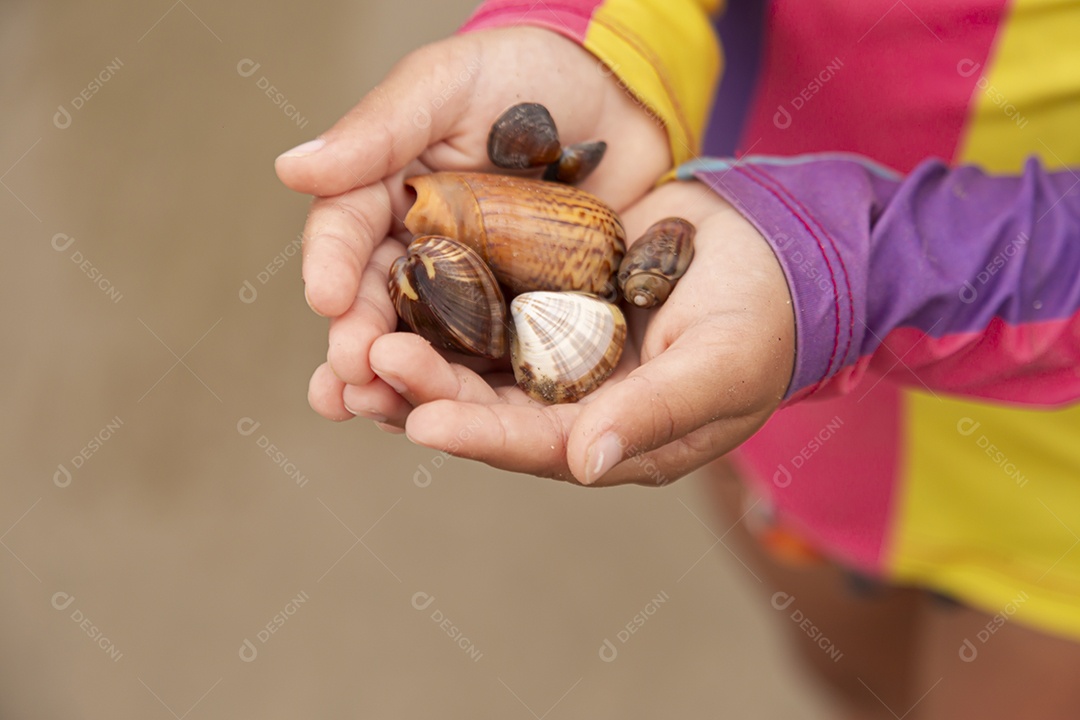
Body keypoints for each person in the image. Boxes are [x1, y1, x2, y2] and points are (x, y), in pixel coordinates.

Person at [276, 1, 1080, 717]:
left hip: (1051, 512)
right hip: (771, 373)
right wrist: (589, 33)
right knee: (850, 682)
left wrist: (854, 267)